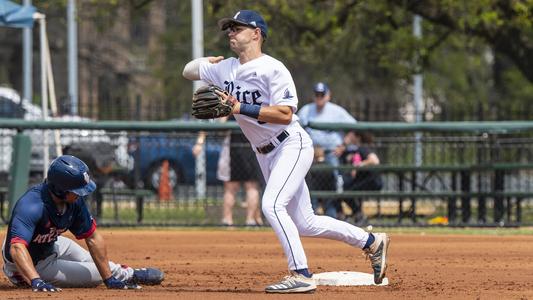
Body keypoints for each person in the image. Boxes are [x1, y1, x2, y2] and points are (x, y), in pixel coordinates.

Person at [182, 9, 389, 293]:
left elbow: (284, 113)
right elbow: (188, 71)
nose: (230, 32)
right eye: (228, 28)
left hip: (290, 143)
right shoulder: (225, 67)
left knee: (271, 205)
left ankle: (301, 274)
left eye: (237, 28)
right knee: (306, 223)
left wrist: (239, 107)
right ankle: (372, 242)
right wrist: (208, 61)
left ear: (256, 34)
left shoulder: (273, 68)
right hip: (264, 153)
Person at [2, 155, 164, 291]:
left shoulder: (74, 202)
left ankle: (125, 273)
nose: (81, 194)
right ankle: (129, 274)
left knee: (95, 263)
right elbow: (17, 247)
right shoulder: (31, 205)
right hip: (28, 263)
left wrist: (109, 279)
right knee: (95, 275)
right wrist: (35, 280)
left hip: (50, 243)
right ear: (60, 190)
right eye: (76, 191)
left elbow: (93, 238)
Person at [298, 82, 357, 218]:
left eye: (322, 95)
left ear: (328, 95)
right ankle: (310, 211)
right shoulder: (306, 110)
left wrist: (343, 146)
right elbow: (296, 128)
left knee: (335, 180)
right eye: (317, 95)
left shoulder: (337, 111)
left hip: (331, 153)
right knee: (306, 180)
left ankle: (334, 211)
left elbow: (354, 127)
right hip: (311, 153)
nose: (319, 97)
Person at [193, 116, 263, 226]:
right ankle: (248, 221)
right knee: (249, 187)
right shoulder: (250, 103)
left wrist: (200, 142)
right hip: (240, 148)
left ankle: (230, 220)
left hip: (244, 148)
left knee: (243, 188)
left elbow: (219, 125)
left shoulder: (231, 104)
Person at [340, 131, 383, 223]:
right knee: (345, 190)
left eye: (351, 135)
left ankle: (359, 214)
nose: (349, 136)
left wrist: (359, 165)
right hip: (364, 181)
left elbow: (375, 161)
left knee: (346, 192)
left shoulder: (363, 147)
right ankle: (358, 215)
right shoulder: (357, 149)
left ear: (358, 137)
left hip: (372, 182)